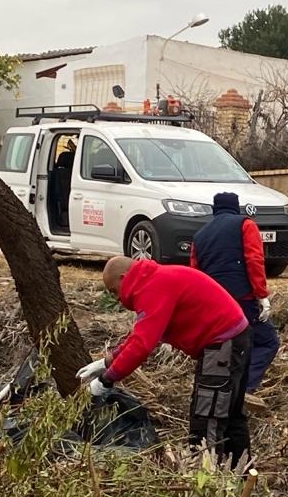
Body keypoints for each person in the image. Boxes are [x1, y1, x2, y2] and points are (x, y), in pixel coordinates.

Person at [78, 256, 252, 467]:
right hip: (233, 339)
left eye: (114, 290)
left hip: (222, 344)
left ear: (124, 278)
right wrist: (105, 362)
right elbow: (138, 336)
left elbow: (142, 345)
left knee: (207, 421)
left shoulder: (151, 288)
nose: (115, 298)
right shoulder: (154, 280)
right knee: (230, 415)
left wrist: (106, 380)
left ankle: (208, 486)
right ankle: (242, 480)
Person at [189, 192, 277, 393]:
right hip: (242, 300)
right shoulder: (245, 225)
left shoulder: (200, 235)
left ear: (214, 209)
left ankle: (216, 391)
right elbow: (254, 260)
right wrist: (261, 294)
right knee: (266, 342)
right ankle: (243, 390)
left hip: (213, 304)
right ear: (236, 207)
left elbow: (194, 273)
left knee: (221, 349)